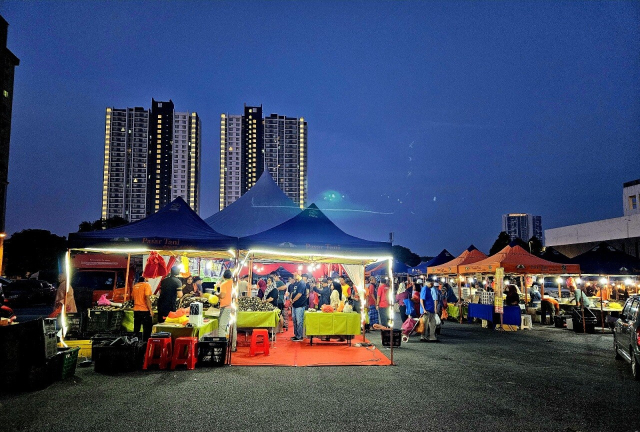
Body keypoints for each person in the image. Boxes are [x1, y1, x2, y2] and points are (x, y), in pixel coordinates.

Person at [216, 269, 236, 351]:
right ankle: (233, 347)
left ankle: (221, 347)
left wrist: (217, 294)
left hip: (226, 307)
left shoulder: (224, 284)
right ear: (231, 276)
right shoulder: (235, 284)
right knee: (233, 327)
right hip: (234, 307)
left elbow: (223, 295)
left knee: (222, 326)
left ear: (223, 276)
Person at [132, 276, 154, 341]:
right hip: (144, 310)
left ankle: (135, 343)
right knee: (147, 329)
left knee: (136, 328)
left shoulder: (135, 286)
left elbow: (133, 298)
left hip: (136, 310)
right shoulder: (146, 285)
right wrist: (150, 310)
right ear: (144, 278)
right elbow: (147, 297)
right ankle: (145, 344)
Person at [290, 273, 308, 341]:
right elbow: (293, 292)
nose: (294, 277)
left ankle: (300, 336)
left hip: (300, 305)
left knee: (299, 321)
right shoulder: (296, 283)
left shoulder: (302, 283)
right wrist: (291, 298)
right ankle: (296, 335)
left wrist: (293, 300)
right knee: (294, 320)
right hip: (294, 305)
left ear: (298, 275)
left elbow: (299, 294)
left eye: (295, 275)